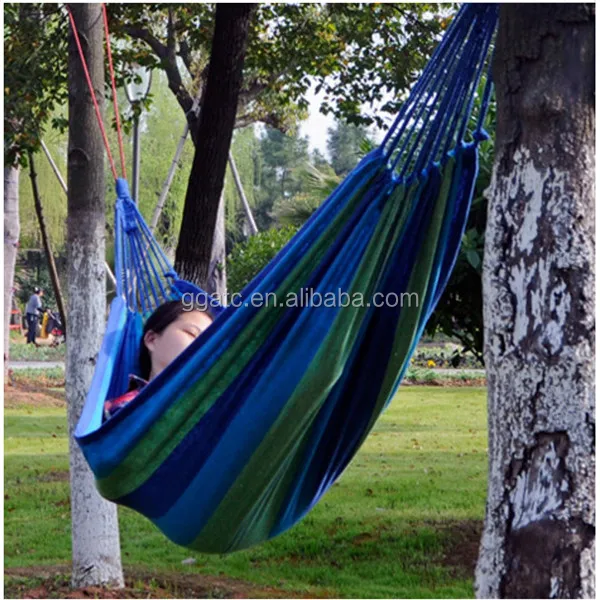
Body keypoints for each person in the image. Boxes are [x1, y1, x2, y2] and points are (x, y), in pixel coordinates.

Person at [103, 299, 214, 419]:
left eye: (208, 342)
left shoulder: (212, 408)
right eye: (192, 333)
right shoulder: (124, 409)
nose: (202, 345)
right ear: (152, 340)